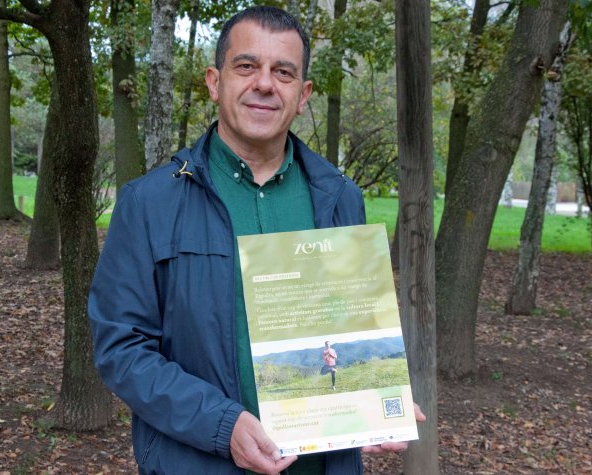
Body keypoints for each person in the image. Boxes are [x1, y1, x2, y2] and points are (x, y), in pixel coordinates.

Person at [88, 6, 424, 475]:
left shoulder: (339, 198)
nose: (264, 83)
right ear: (214, 81)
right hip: (197, 464)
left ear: (303, 94)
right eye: (246, 66)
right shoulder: (149, 202)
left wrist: (372, 397)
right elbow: (121, 349)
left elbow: (348, 328)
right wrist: (222, 426)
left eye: (282, 72)